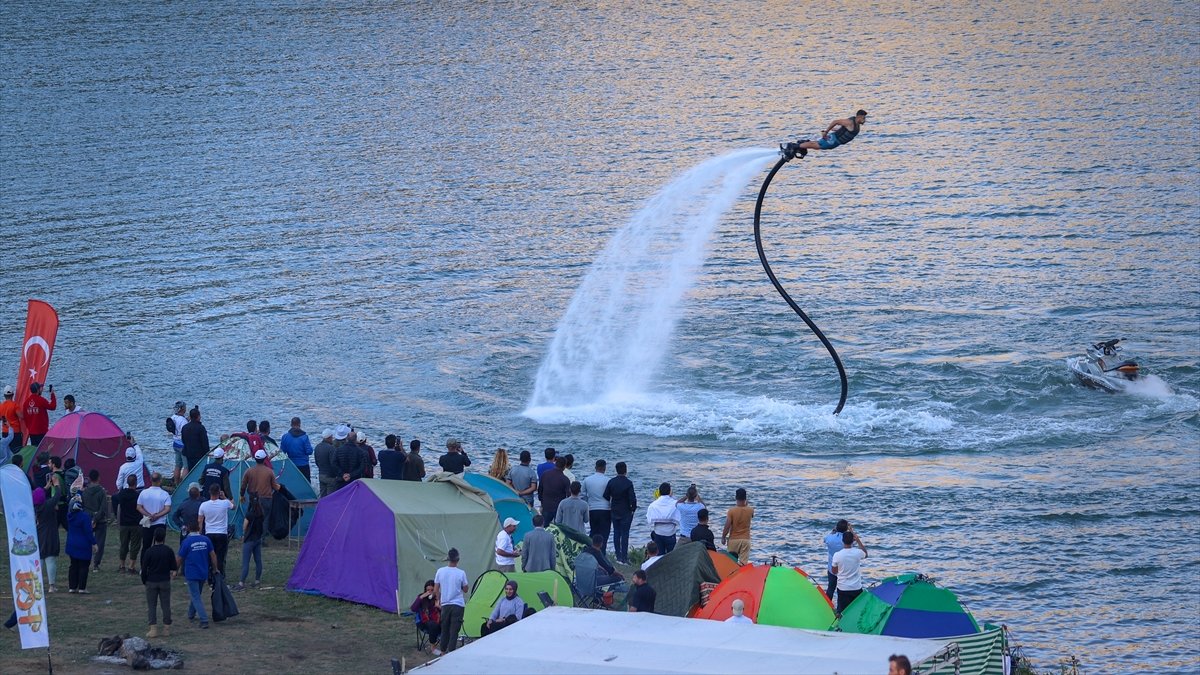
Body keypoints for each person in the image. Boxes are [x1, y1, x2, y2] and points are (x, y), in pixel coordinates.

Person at [176, 518, 217, 629]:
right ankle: (191, 614)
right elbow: (213, 555)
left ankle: (204, 620)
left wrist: (175, 570)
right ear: (199, 528)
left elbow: (179, 558)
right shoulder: (206, 539)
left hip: (191, 573)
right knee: (196, 594)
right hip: (203, 572)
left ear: (188, 529)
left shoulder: (186, 542)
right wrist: (215, 568)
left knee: (195, 596)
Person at [779, 110, 869, 159]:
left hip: (835, 142)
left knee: (817, 146)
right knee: (817, 145)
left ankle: (800, 146)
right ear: (859, 117)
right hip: (833, 140)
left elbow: (843, 129)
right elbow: (836, 121)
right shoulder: (850, 122)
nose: (864, 120)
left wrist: (834, 130)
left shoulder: (855, 124)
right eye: (863, 118)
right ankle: (795, 146)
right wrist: (826, 132)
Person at [141, 527, 177, 638]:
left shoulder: (149, 551)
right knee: (166, 605)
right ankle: (166, 628)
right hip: (164, 581)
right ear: (164, 537)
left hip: (151, 581)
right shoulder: (168, 550)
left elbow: (144, 568)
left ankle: (153, 629)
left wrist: (145, 581)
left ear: (154, 538)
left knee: (152, 605)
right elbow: (174, 567)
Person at [433, 547, 469, 656]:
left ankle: (443, 651)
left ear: (448, 559)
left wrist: (438, 601)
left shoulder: (440, 571)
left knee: (445, 628)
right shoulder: (461, 573)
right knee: (454, 630)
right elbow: (466, 589)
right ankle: (451, 652)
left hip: (445, 604)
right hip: (458, 604)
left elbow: (436, 589)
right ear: (458, 560)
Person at [604, 461, 638, 565]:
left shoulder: (612, 482)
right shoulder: (628, 483)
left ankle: (618, 556)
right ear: (626, 470)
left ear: (616, 470)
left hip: (614, 510)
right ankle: (624, 557)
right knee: (625, 534)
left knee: (616, 532)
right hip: (626, 511)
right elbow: (632, 498)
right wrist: (633, 509)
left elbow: (605, 495)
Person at [197, 484, 234, 576]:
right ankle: (220, 577)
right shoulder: (224, 503)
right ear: (219, 492)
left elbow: (200, 521)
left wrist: (200, 534)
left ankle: (210, 576)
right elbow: (233, 506)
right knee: (220, 556)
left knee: (210, 555)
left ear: (210, 492)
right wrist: (225, 497)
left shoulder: (203, 505)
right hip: (221, 533)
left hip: (209, 533)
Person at [831, 527, 868, 614]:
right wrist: (858, 540)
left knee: (842, 612)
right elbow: (866, 554)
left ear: (842, 541)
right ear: (853, 541)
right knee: (857, 612)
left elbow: (834, 571)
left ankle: (841, 627)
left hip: (843, 587)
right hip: (856, 587)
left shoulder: (837, 555)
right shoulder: (858, 552)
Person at [34, 482, 64, 592]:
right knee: (50, 559)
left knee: (40, 560)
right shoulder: (48, 505)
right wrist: (57, 485)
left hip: (39, 534)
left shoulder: (36, 506)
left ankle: (37, 585)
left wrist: (45, 487)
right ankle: (51, 586)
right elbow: (57, 496)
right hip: (50, 534)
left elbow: (38, 494)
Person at [236, 487, 267, 591]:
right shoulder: (261, 513)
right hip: (258, 539)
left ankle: (241, 582)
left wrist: (243, 535)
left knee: (246, 562)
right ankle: (257, 580)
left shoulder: (249, 514)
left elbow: (245, 526)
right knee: (258, 560)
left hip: (249, 540)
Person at [81, 469, 112, 571]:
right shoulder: (101, 491)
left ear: (89, 479)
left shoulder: (85, 491)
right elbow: (103, 508)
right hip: (100, 520)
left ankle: (85, 561)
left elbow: (84, 507)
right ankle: (96, 564)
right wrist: (96, 518)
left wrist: (91, 518)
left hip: (88, 519)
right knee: (100, 542)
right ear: (98, 478)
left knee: (86, 541)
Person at [65, 498, 97, 593]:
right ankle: (82, 588)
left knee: (73, 565)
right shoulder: (85, 517)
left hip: (72, 544)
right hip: (83, 545)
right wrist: (94, 543)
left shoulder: (69, 516)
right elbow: (88, 531)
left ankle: (72, 587)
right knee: (83, 566)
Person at [137, 472, 172, 557]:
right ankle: (158, 564)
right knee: (159, 546)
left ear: (150, 480)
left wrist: (148, 515)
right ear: (160, 481)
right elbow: (167, 509)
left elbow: (139, 507)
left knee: (146, 546)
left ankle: (144, 567)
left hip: (147, 522)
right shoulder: (164, 494)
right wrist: (157, 516)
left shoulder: (143, 493)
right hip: (160, 523)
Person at [113, 473, 143, 574]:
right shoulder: (138, 495)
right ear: (136, 483)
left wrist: (114, 511)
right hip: (136, 523)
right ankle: (131, 566)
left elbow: (113, 498)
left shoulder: (122, 494)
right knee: (135, 545)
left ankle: (122, 565)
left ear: (127, 482)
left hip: (124, 523)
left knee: (123, 544)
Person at [580, 460, 611, 550]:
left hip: (592, 509)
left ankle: (591, 550)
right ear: (604, 468)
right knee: (604, 533)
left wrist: (588, 503)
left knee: (593, 531)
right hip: (606, 509)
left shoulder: (587, 480)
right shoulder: (608, 480)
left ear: (595, 467)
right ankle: (602, 552)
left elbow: (583, 495)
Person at [721, 488, 754, 565]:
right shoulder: (751, 510)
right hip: (746, 540)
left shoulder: (731, 511)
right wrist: (746, 505)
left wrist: (723, 537)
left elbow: (727, 526)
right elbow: (751, 515)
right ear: (745, 498)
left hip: (734, 540)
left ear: (736, 497)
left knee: (731, 563)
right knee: (743, 564)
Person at [646, 482, 680, 556]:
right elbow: (679, 519)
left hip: (658, 533)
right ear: (670, 491)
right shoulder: (675, 503)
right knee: (671, 557)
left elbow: (649, 520)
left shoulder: (653, 505)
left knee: (659, 557)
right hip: (670, 533)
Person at [20, 382, 56, 446]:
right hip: (42, 431)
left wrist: (29, 428)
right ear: (38, 390)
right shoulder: (41, 400)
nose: (42, 389)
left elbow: (25, 417)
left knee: (35, 450)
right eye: (40, 388)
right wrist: (52, 394)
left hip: (32, 432)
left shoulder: (26, 403)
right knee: (43, 449)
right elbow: (53, 407)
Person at [410, 580, 441, 651]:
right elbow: (413, 609)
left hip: (438, 620)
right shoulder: (421, 597)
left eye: (432, 590)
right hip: (424, 622)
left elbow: (444, 611)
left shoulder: (438, 597)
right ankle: (433, 646)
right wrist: (421, 597)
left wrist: (439, 606)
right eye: (428, 590)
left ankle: (445, 648)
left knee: (447, 623)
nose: (429, 592)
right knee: (433, 624)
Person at [538, 457, 570, 525]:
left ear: (555, 463)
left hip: (546, 505)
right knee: (558, 529)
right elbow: (569, 496)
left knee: (544, 526)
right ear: (564, 467)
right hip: (558, 508)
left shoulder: (545, 474)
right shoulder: (565, 479)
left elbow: (540, 489)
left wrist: (541, 501)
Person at [824, 519, 851, 602]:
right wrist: (851, 530)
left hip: (832, 568)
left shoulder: (830, 538)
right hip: (844, 569)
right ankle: (840, 610)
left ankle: (828, 607)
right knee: (842, 590)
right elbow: (854, 540)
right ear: (846, 529)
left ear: (837, 527)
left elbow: (825, 539)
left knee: (830, 588)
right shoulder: (847, 540)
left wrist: (833, 531)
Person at [331, 426, 363, 490]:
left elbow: (334, 463)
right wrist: (351, 475)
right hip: (354, 480)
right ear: (356, 439)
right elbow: (362, 467)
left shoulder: (338, 450)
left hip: (341, 479)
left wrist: (342, 474)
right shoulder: (360, 451)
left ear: (347, 438)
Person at [180, 407, 210, 471]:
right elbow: (205, 442)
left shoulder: (185, 427)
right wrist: (207, 453)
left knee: (191, 470)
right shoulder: (201, 428)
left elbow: (183, 440)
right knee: (199, 470)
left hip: (188, 453)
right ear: (198, 416)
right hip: (199, 454)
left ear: (190, 417)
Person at [167, 401, 188, 484]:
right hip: (182, 444)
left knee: (178, 465)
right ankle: (183, 485)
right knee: (186, 467)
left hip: (175, 443)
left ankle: (176, 483)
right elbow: (185, 431)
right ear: (182, 408)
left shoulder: (173, 417)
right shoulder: (183, 421)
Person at [314, 428, 336, 496]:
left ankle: (322, 506)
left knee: (323, 496)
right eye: (332, 437)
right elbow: (333, 463)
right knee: (331, 497)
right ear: (329, 438)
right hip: (330, 476)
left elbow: (316, 462)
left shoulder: (317, 447)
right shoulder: (331, 448)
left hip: (321, 474)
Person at [0, 385, 23, 450]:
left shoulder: (1, 406)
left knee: (7, 451)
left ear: (4, 396)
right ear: (12, 395)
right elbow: (21, 416)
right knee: (16, 450)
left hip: (5, 432)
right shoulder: (15, 405)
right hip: (15, 432)